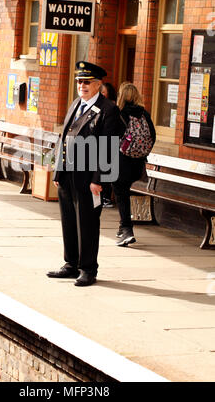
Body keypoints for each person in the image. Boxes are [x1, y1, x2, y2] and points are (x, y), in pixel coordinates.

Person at [47, 61, 120, 286]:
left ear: (98, 84)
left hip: (89, 178)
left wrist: (99, 180)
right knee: (69, 221)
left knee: (87, 223)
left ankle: (88, 268)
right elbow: (64, 138)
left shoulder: (109, 110)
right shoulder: (76, 104)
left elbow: (110, 148)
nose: (82, 85)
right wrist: (58, 172)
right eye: (79, 81)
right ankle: (71, 264)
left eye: (87, 82)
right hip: (68, 174)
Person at [113, 82, 156, 247]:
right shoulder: (144, 114)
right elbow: (152, 136)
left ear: (121, 96)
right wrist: (141, 153)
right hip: (138, 164)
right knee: (124, 193)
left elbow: (112, 138)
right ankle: (122, 228)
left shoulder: (120, 114)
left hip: (121, 161)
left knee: (121, 194)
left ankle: (126, 230)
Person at [99, 82, 117, 208]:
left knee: (105, 169)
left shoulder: (112, 108)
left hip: (109, 145)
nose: (101, 94)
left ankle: (106, 197)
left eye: (103, 92)